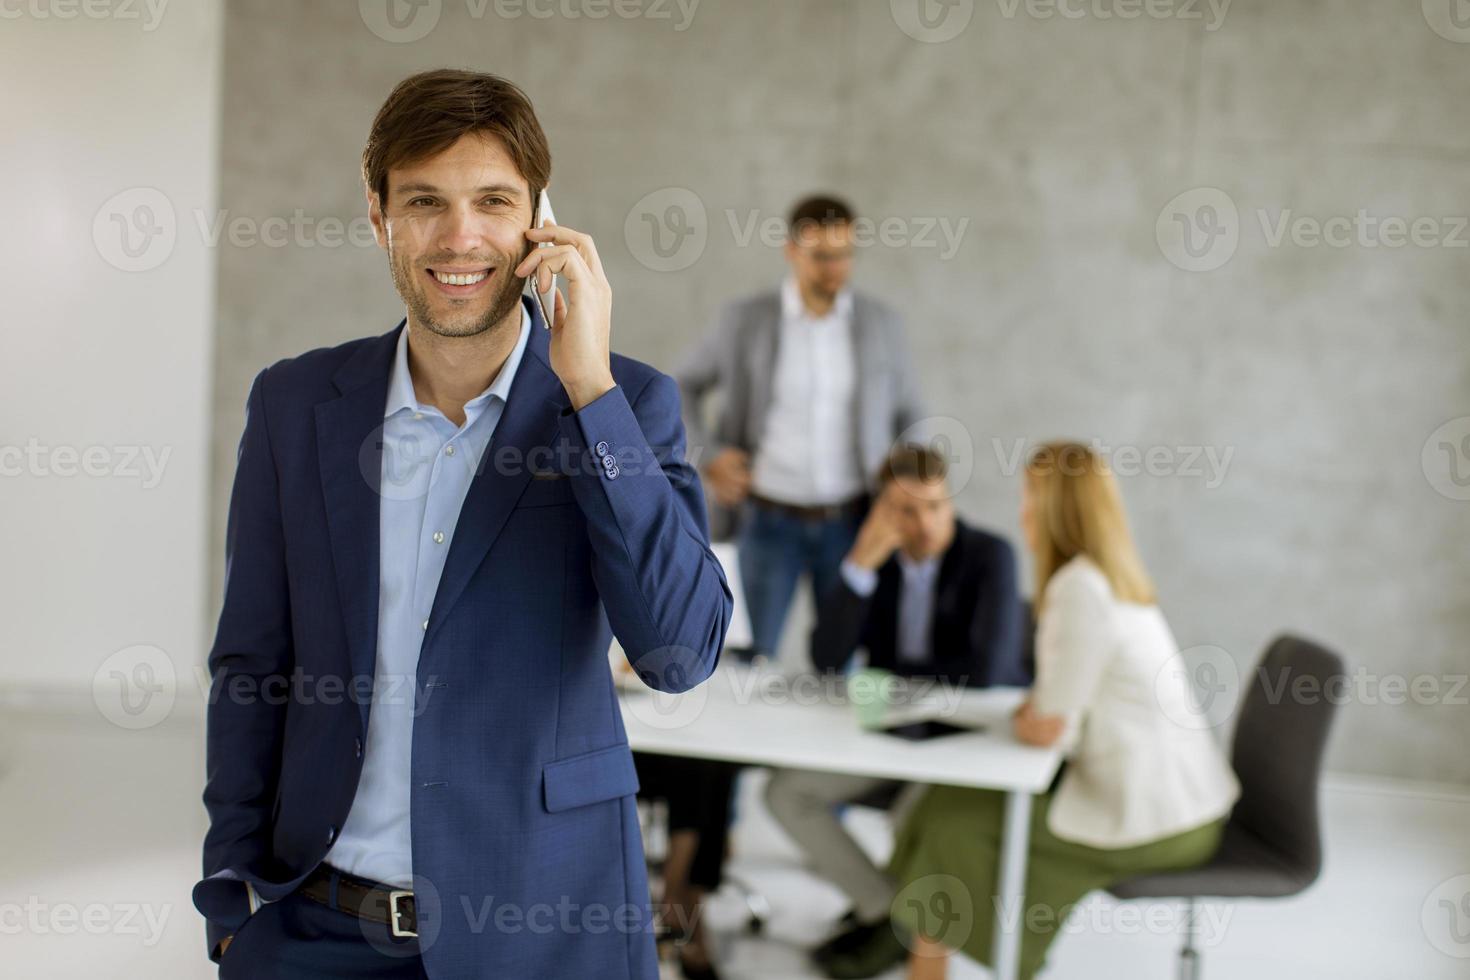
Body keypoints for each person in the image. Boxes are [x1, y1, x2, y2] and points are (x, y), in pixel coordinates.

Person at [192, 69, 732, 979]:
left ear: (540, 220)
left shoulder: (623, 402)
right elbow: (253, 661)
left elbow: (679, 655)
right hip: (315, 928)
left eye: (493, 200)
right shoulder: (294, 404)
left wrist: (588, 389)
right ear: (379, 216)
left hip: (549, 930)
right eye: (425, 202)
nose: (460, 236)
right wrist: (230, 895)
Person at [822, 441, 1241, 979]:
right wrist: (1037, 712)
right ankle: (908, 946)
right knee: (941, 805)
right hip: (1183, 800)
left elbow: (1048, 729)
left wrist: (1034, 716)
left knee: (951, 826)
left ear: (1053, 510)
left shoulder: (1079, 589)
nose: (1021, 511)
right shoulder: (1107, 576)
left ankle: (920, 954)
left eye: (1029, 498)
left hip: (1151, 819)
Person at [763, 444, 1027, 973]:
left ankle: (906, 931)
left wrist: (891, 683)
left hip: (966, 743)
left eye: (936, 507)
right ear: (881, 511)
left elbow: (989, 667)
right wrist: (860, 563)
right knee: (787, 793)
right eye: (906, 510)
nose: (925, 523)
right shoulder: (874, 560)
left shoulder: (988, 556)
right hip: (887, 736)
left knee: (919, 817)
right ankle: (887, 910)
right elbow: (826, 659)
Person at [674, 195, 926, 661]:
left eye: (846, 255)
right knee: (743, 661)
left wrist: (907, 485)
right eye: (823, 256)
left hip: (852, 521)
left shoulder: (882, 325)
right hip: (766, 520)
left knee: (843, 662)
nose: (836, 269)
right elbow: (681, 386)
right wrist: (708, 455)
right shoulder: (744, 321)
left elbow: (910, 413)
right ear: (792, 250)